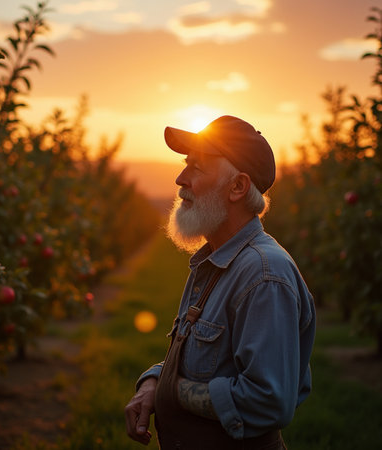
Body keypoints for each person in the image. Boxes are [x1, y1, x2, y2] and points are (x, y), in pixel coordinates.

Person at [124, 115, 316, 449]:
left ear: (238, 187)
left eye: (197, 167)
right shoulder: (214, 262)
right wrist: (156, 381)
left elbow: (268, 402)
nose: (180, 178)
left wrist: (173, 390)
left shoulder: (263, 276)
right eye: (186, 164)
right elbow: (206, 362)